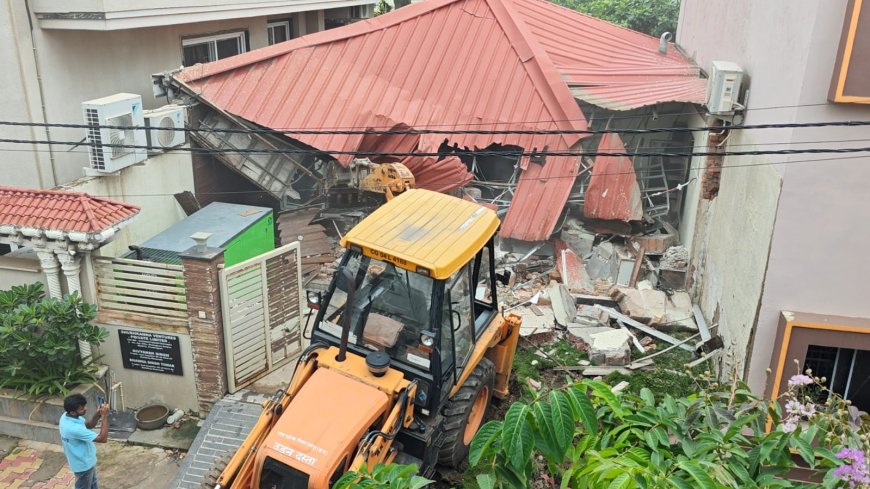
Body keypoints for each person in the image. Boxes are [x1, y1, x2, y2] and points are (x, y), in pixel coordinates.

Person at [59, 394, 109, 489]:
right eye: (82, 409)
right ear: (73, 412)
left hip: (85, 461)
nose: (85, 409)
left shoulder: (66, 416)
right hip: (83, 465)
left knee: (93, 484)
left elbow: (89, 425)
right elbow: (103, 438)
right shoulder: (74, 428)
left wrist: (98, 413)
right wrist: (104, 416)